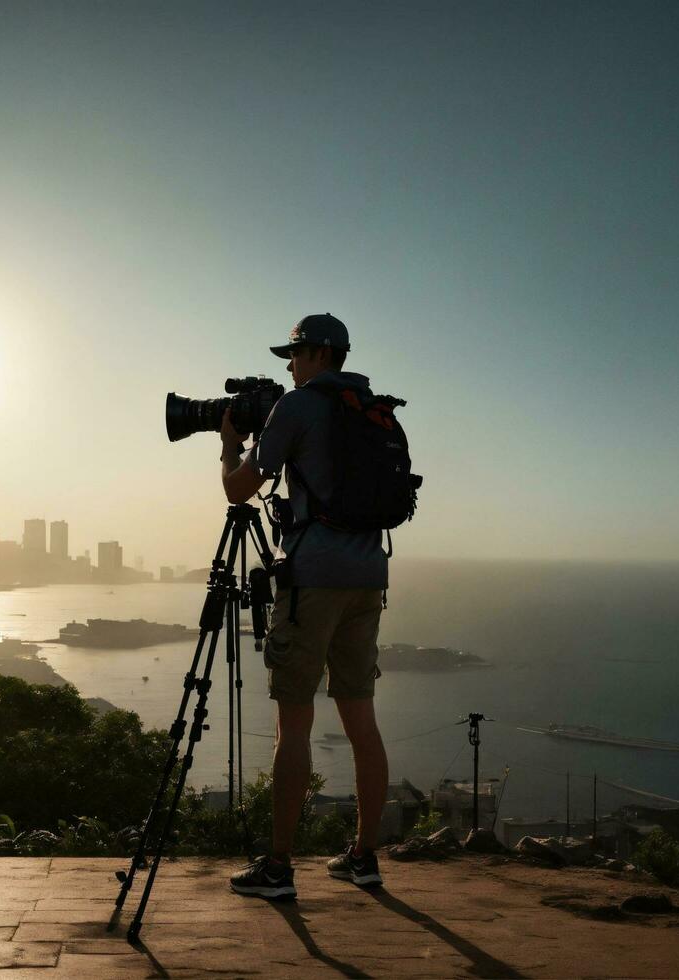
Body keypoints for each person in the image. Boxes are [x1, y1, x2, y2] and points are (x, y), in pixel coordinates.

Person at [219, 313, 388, 900]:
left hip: (313, 579)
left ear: (317, 353)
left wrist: (230, 446)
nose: (287, 368)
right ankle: (365, 857)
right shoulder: (369, 406)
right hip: (369, 578)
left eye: (291, 356)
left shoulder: (298, 407)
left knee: (294, 721)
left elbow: (240, 489)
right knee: (361, 721)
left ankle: (278, 867)